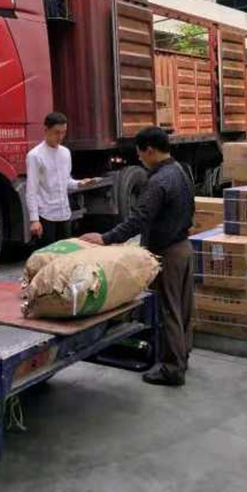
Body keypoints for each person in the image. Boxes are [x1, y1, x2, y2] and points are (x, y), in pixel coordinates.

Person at [81, 126, 195, 387]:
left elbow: (139, 219)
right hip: (183, 247)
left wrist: (106, 238)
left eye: (140, 154)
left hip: (166, 252)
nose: (140, 159)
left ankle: (171, 369)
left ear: (150, 150)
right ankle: (182, 355)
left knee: (168, 311)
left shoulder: (158, 181)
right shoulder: (181, 171)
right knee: (184, 307)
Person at [26, 112, 97, 245]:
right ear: (46, 130)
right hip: (46, 215)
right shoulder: (35, 156)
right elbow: (31, 190)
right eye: (56, 132)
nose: (60, 137)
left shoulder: (65, 153)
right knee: (48, 258)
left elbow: (66, 181)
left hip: (64, 213)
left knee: (64, 257)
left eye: (63, 132)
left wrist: (79, 184)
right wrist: (34, 220)